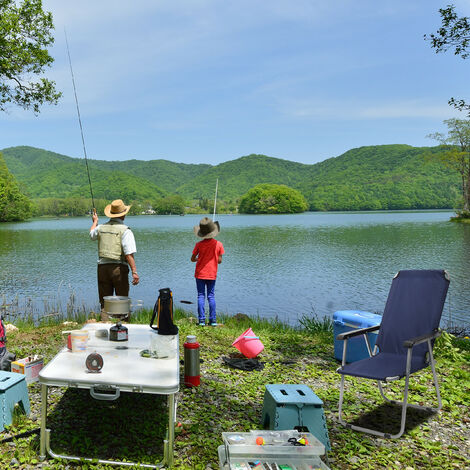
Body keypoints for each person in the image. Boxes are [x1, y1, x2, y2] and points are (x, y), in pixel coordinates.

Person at [90, 199, 139, 321]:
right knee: (122, 301)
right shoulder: (125, 231)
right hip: (118, 268)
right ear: (123, 214)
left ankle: (105, 326)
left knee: (105, 302)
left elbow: (91, 234)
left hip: (102, 268)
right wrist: (134, 271)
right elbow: (129, 254)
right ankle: (122, 328)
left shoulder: (100, 228)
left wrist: (95, 222)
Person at [191, 217, 224, 326]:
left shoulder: (199, 245)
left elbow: (192, 258)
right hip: (212, 274)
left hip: (200, 274)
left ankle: (201, 320)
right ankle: (213, 320)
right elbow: (219, 261)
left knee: (201, 295)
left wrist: (197, 259)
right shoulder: (218, 244)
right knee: (211, 296)